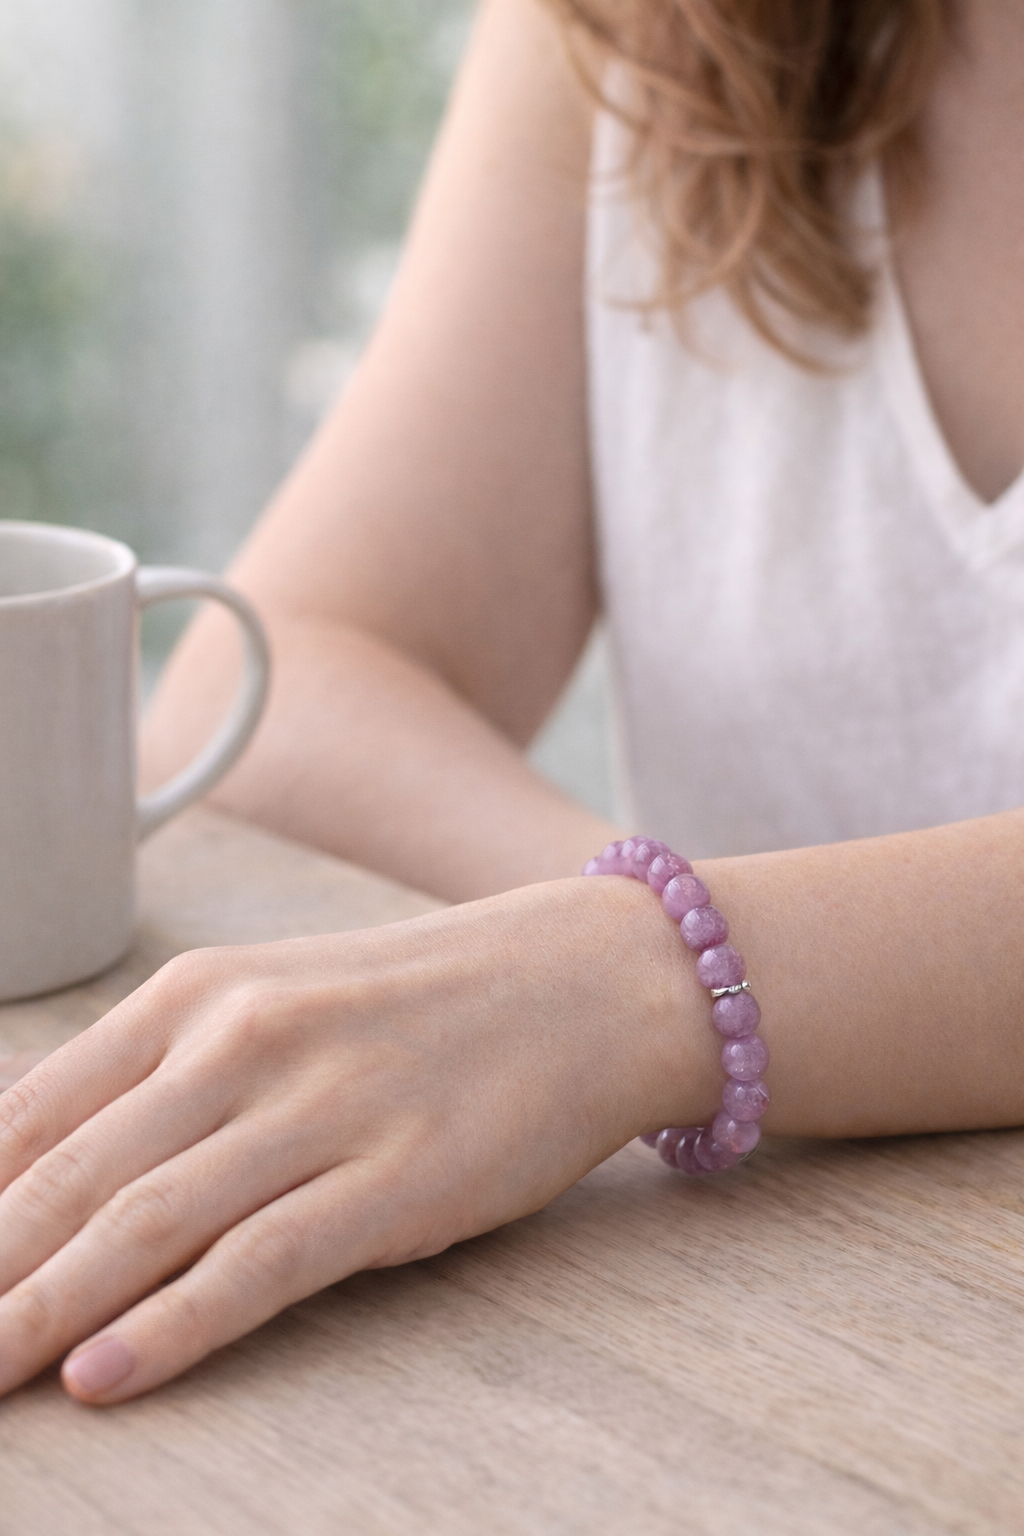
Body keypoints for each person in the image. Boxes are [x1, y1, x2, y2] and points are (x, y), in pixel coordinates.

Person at [1, 0, 1023, 1405]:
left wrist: (640, 989)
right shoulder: (647, 31)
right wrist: (574, 987)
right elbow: (275, 676)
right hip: (770, 1358)